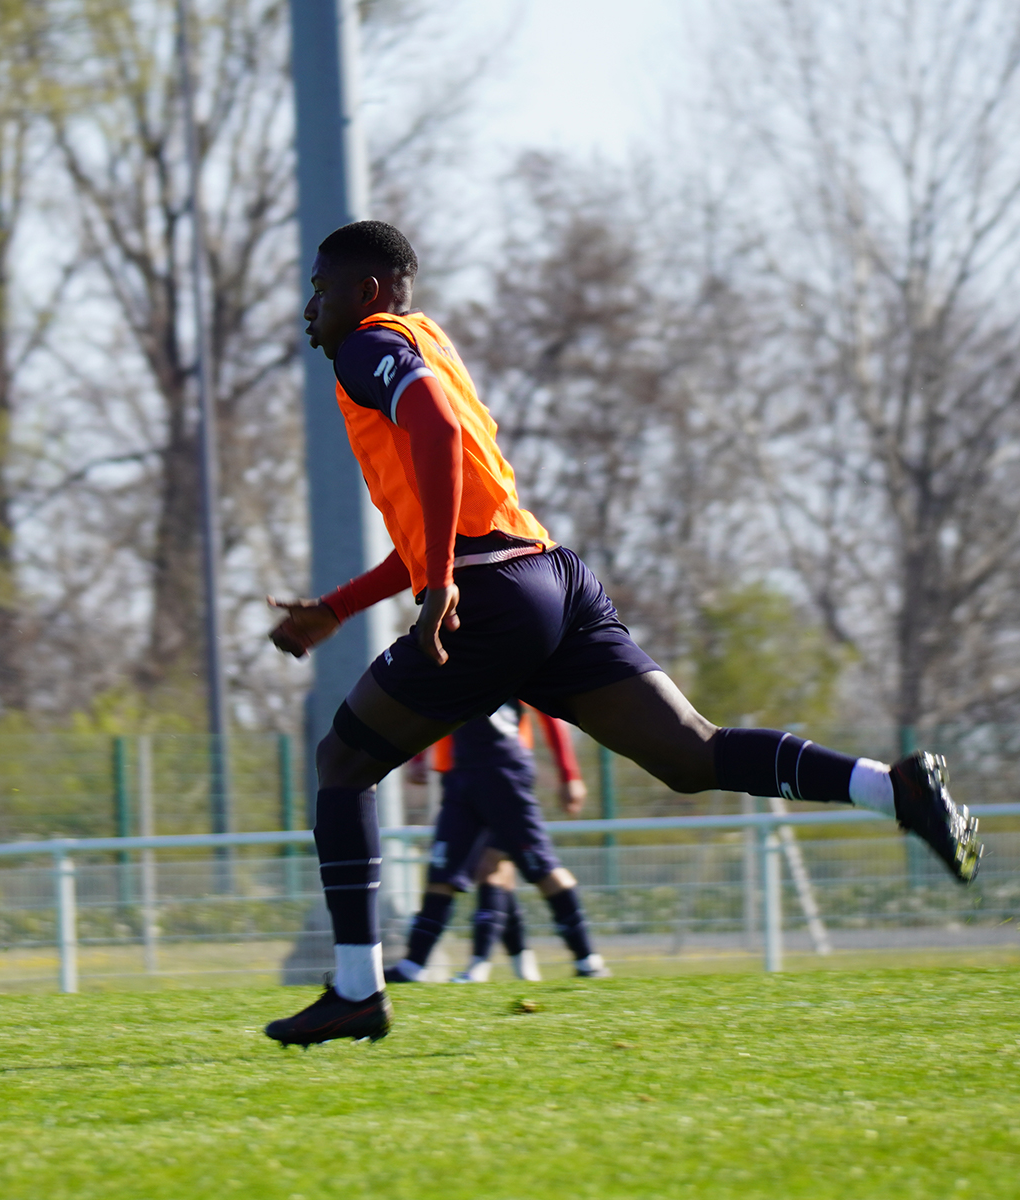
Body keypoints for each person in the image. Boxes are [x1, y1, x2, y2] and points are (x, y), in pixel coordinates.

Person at [262, 220, 981, 1048]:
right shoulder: (426, 340)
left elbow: (439, 434)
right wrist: (342, 605)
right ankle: (895, 789)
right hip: (548, 576)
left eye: (319, 287)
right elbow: (442, 510)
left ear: (365, 292)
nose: (310, 306)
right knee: (691, 754)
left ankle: (358, 990)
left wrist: (443, 582)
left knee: (344, 762)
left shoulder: (367, 345)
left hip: (491, 595)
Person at [385, 702, 604, 986]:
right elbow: (435, 708)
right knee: (442, 870)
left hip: (504, 772)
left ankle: (587, 960)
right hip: (460, 774)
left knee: (540, 867)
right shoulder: (448, 675)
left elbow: (551, 716)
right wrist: (418, 757)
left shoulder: (512, 674)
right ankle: (413, 966)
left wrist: (569, 774)